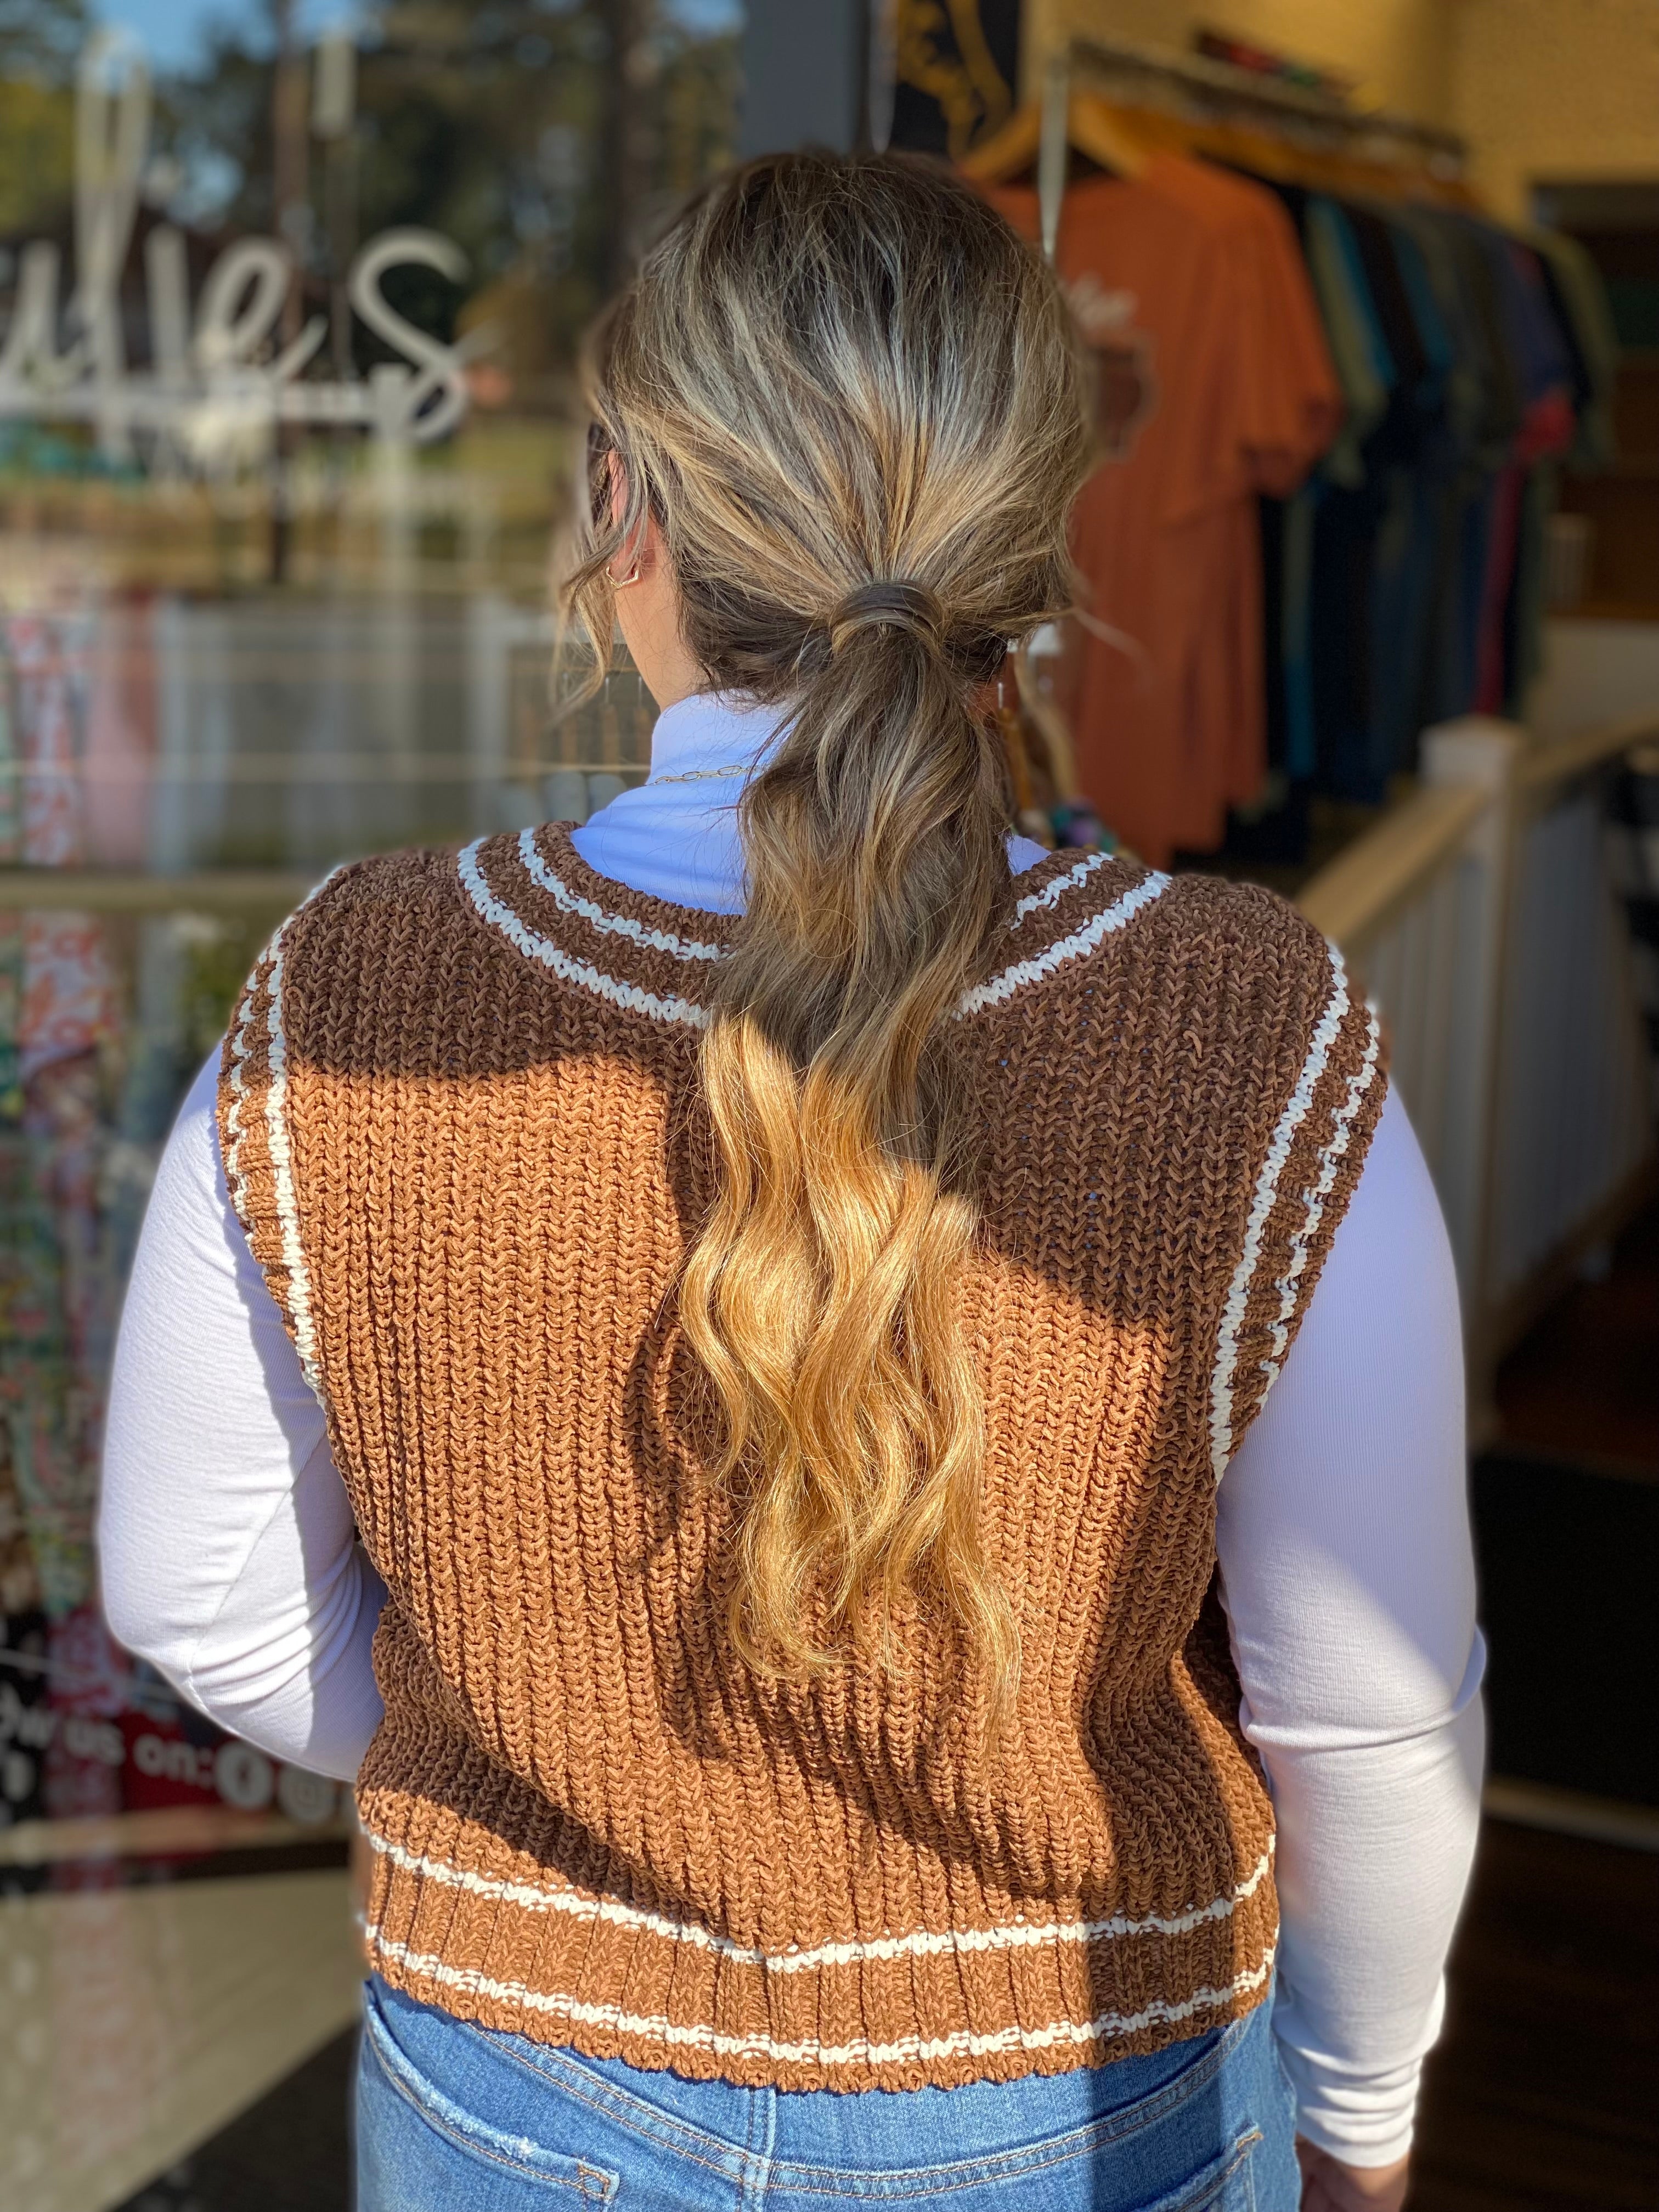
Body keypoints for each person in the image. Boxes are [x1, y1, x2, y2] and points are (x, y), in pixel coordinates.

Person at [100, 151, 1482, 2212]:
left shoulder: (351, 991)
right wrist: (1362, 2119)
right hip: (1087, 2095)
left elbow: (192, 1599)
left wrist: (551, 1753)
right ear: (1035, 542)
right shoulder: (1252, 1030)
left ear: (620, 511)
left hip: (511, 2084)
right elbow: (1370, 1716)